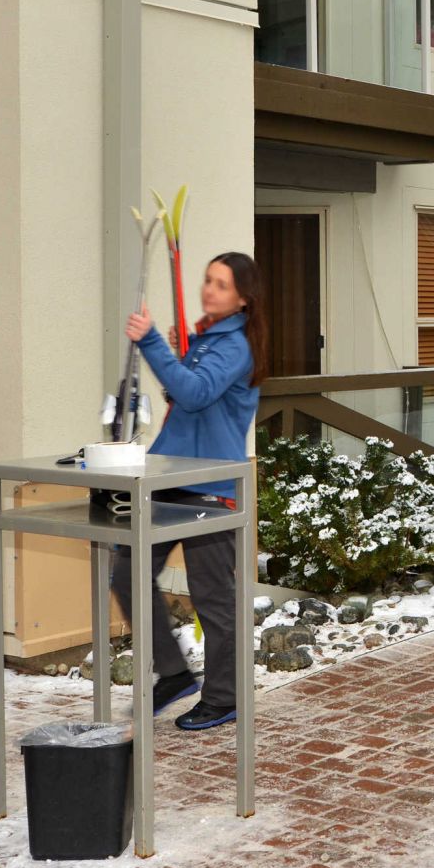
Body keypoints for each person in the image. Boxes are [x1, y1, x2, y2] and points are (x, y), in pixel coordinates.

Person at [110, 252, 267, 730]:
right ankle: (175, 674)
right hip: (171, 477)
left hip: (211, 486)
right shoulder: (207, 338)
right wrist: (177, 357)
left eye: (220, 285)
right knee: (127, 574)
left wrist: (152, 341)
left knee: (213, 598)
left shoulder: (235, 344)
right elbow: (187, 399)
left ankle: (224, 696)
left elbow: (197, 394)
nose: (208, 290)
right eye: (207, 281)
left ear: (243, 297)